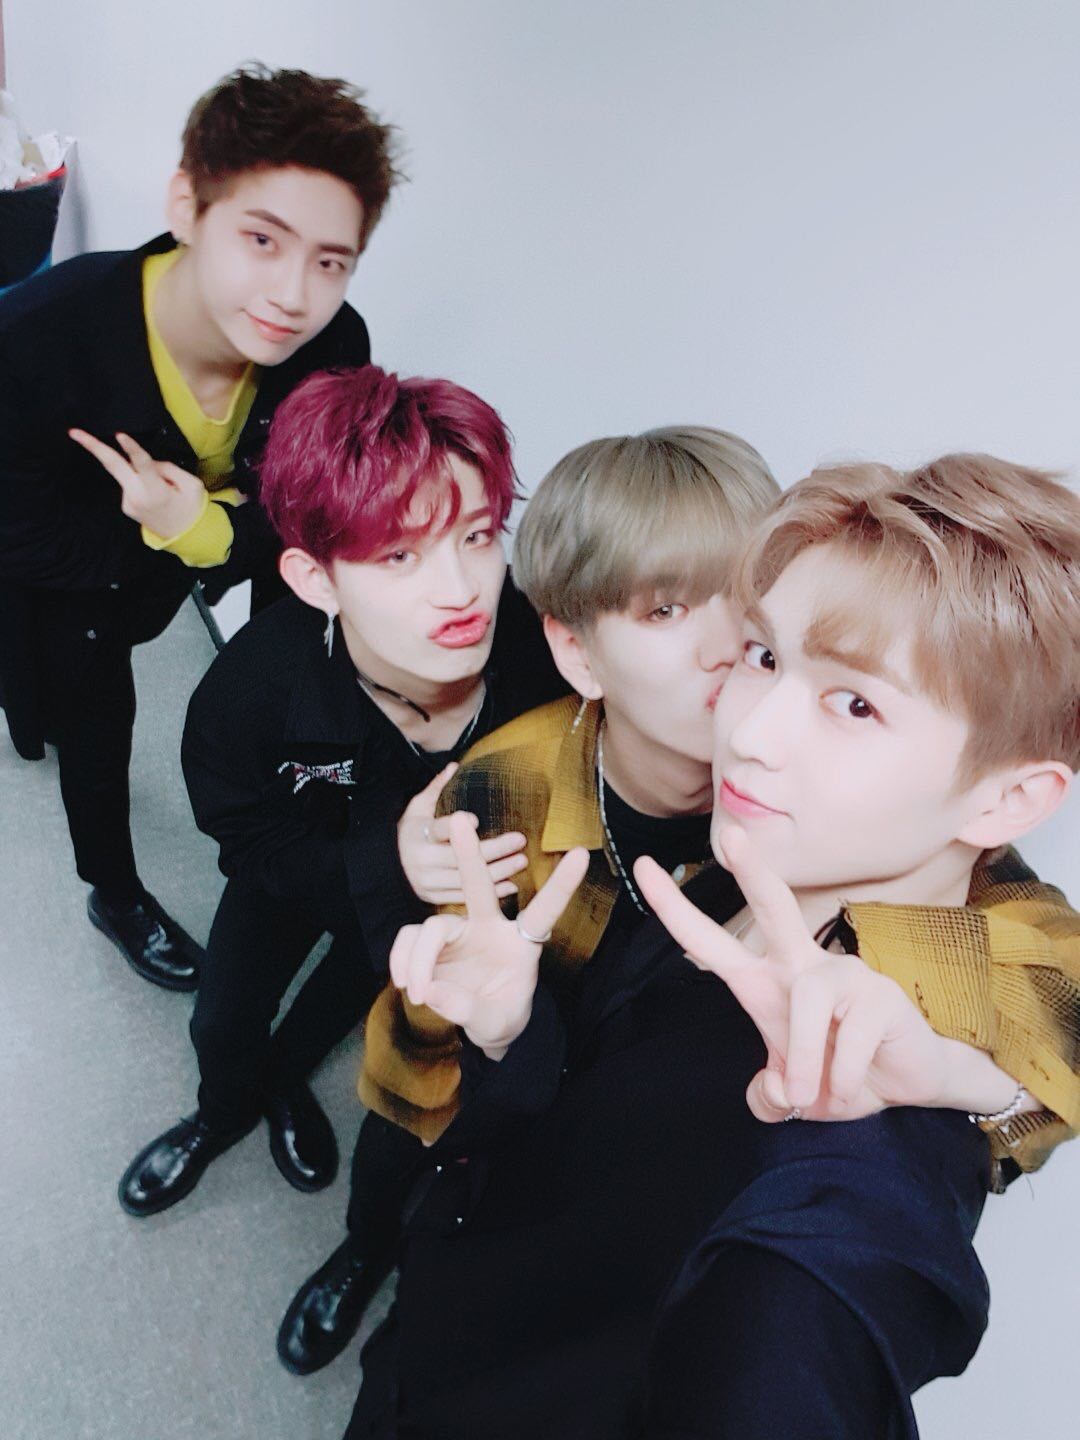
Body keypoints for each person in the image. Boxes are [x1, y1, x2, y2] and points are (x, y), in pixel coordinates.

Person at [279, 429, 1079, 1378]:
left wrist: (979, 1084)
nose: (729, 670)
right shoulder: (511, 782)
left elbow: (1045, 974)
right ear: (577, 653)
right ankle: (364, 1254)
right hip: (478, 1100)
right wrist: (413, 887)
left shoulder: (826, 833)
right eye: (670, 612)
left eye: (744, 616)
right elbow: (426, 1009)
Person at [116, 364, 567, 1216]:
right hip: (290, 877)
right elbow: (245, 840)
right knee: (222, 1019)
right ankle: (219, 1114)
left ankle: (285, 1084)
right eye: (400, 554)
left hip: (422, 914)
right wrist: (384, 855)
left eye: (477, 536)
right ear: (315, 579)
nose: (461, 590)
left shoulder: (542, 659)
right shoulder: (249, 694)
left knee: (340, 1004)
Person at [0, 64, 397, 989]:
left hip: (210, 551)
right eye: (262, 238)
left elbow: (303, 501)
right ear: (187, 206)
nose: (294, 294)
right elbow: (14, 526)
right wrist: (154, 541)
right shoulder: (37, 337)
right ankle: (113, 891)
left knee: (276, 697)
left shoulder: (336, 345)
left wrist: (203, 533)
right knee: (86, 723)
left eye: (330, 261)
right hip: (71, 572)